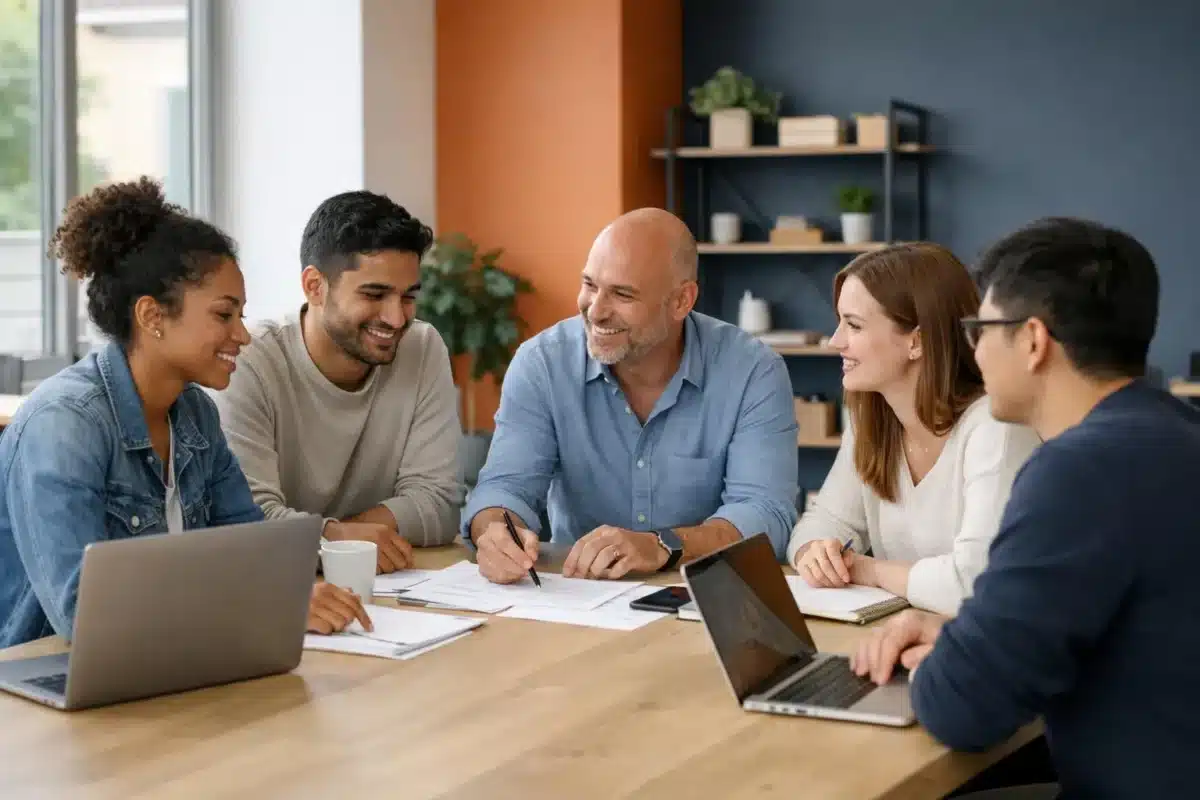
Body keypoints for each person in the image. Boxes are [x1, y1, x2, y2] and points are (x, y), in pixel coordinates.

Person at [851, 217, 1200, 799]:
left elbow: (963, 709)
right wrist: (966, 634)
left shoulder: (1079, 472)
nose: (973, 350)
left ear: (1033, 341)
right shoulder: (1175, 432)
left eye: (979, 329)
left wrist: (954, 656)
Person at [0, 178, 371, 649]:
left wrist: (298, 592)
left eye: (241, 315)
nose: (244, 335)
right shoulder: (63, 425)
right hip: (39, 683)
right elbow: (83, 612)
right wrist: (261, 602)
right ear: (152, 317)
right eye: (223, 315)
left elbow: (249, 547)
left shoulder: (193, 413)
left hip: (166, 662)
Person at [462, 207, 799, 584]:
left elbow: (766, 513)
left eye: (622, 294)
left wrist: (663, 545)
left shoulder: (753, 371)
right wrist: (493, 531)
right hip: (577, 599)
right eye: (590, 285)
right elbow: (505, 487)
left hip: (702, 596)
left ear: (681, 302)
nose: (596, 310)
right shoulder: (542, 363)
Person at [212, 191, 462, 575]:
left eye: (408, 297)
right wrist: (340, 538)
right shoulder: (249, 362)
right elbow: (248, 519)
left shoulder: (422, 348)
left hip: (383, 586)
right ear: (314, 286)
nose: (396, 319)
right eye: (374, 294)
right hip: (284, 590)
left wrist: (343, 538)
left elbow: (439, 504)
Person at [786, 244, 1041, 615]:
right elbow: (821, 523)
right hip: (905, 638)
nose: (835, 340)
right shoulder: (870, 420)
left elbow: (974, 582)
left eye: (853, 325)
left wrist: (869, 569)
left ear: (916, 341)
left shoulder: (994, 428)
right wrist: (817, 552)